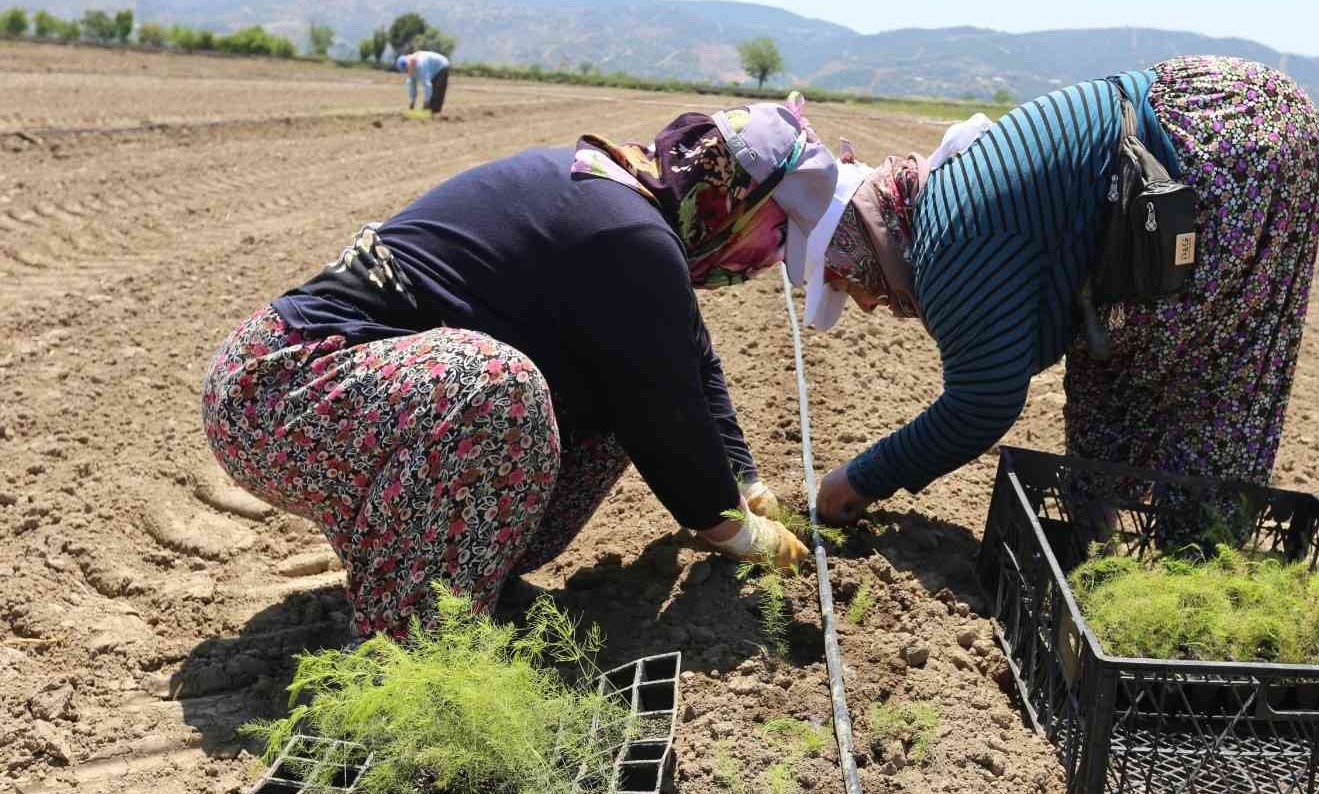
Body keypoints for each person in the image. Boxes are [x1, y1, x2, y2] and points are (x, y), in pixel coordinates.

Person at [198, 103, 861, 638]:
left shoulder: (635, 209)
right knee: (500, 389)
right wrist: (734, 529)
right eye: (775, 234)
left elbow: (688, 361)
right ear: (737, 200)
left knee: (609, 406)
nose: (769, 257)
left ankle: (429, 561)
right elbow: (667, 422)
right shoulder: (626, 233)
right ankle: (415, 649)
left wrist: (745, 481)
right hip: (277, 390)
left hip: (357, 401)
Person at [779, 56, 1319, 550]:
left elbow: (982, 402)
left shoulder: (948, 244)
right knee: (1112, 364)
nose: (870, 304)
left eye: (848, 286)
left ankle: (1196, 563)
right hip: (1222, 106)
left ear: (858, 250)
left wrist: (857, 480)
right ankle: (1108, 547)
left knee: (1204, 375)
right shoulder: (944, 203)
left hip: (1223, 153)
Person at [396, 50, 451, 114]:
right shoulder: (411, 68)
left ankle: (435, 114)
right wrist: (412, 101)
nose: (407, 72)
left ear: (409, 64)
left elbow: (427, 85)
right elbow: (412, 85)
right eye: (405, 71)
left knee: (437, 93)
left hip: (441, 66)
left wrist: (426, 102)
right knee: (431, 97)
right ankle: (430, 111)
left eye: (407, 70)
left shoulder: (421, 65)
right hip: (432, 69)